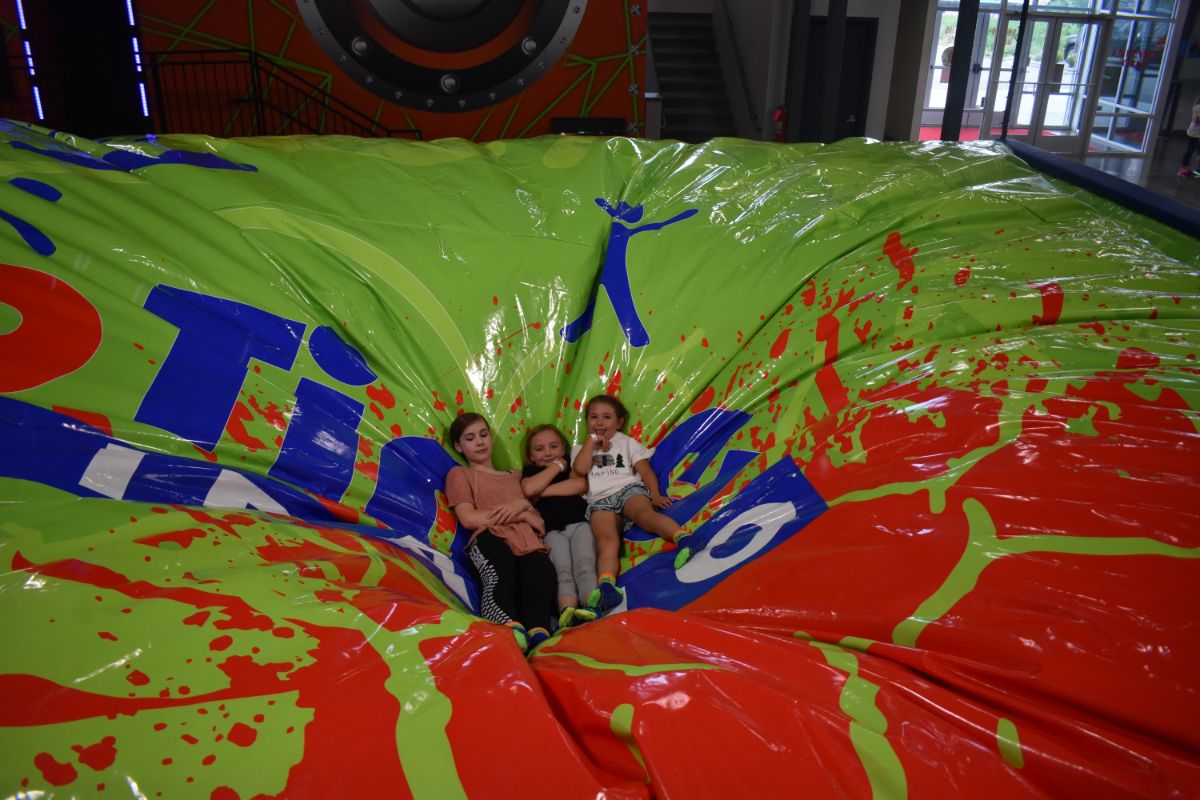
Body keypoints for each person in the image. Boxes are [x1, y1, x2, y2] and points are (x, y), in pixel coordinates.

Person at [571, 394, 701, 611]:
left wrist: (655, 495)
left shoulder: (626, 442)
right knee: (605, 540)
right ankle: (607, 586)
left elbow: (645, 471)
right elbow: (581, 470)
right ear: (587, 422)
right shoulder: (580, 449)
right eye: (594, 417)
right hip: (599, 500)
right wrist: (590, 443)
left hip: (627, 489)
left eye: (607, 417)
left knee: (645, 516)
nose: (600, 423)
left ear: (619, 422)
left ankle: (685, 539)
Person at [444, 412, 557, 652]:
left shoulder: (516, 476)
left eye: (484, 435)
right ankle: (505, 626)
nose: (480, 442)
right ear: (458, 446)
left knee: (540, 572)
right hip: (489, 537)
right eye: (470, 438)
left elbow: (539, 524)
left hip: (527, 540)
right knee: (501, 570)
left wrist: (526, 508)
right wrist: (521, 513)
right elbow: (469, 517)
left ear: (492, 438)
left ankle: (539, 631)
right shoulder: (460, 474)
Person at [520, 424, 599, 628]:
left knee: (585, 564)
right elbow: (529, 488)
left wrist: (541, 493)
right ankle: (567, 612)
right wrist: (557, 467)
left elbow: (579, 485)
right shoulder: (531, 472)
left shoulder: (573, 467)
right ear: (531, 456)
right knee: (562, 571)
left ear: (563, 449)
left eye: (553, 446)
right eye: (539, 449)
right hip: (553, 531)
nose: (547, 453)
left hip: (580, 523)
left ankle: (591, 606)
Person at [1179, 94, 1200, 177]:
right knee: (1190, 151)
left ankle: (1198, 171)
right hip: (1194, 134)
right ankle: (1183, 169)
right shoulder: (1198, 108)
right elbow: (1198, 121)